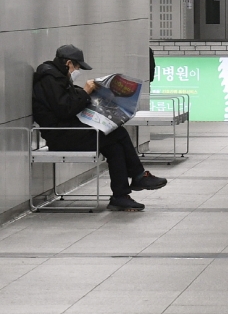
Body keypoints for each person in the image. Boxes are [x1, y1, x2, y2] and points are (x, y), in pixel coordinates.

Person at [32, 45, 167, 211]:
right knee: (118, 132)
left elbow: (67, 103)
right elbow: (64, 109)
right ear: (68, 63)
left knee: (115, 147)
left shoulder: (57, 77)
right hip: (61, 137)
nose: (78, 70)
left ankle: (121, 196)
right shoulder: (49, 79)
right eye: (78, 67)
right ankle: (138, 176)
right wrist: (85, 92)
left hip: (69, 131)